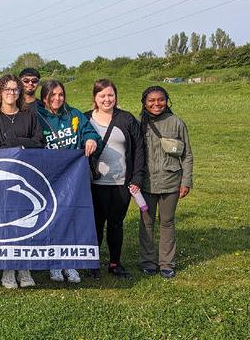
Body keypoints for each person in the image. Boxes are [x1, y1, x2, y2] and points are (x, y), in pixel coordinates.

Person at [34, 79, 101, 284]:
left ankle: (70, 263)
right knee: (53, 218)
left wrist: (90, 139)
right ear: (44, 96)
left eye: (60, 94)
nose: (57, 98)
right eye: (52, 95)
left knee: (72, 218)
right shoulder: (37, 117)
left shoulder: (74, 115)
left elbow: (90, 132)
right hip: (49, 176)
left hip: (73, 177)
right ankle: (54, 264)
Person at [0, 74, 44, 289]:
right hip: (2, 177)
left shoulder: (30, 115)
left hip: (26, 174)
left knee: (26, 219)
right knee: (7, 221)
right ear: (0, 91)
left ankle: (24, 267)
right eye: (7, 89)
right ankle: (8, 269)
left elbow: (38, 142)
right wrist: (15, 147)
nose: (12, 93)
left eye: (15, 89)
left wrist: (14, 142)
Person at [84, 79, 145, 279]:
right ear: (95, 97)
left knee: (116, 224)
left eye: (110, 95)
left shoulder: (126, 119)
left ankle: (114, 262)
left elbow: (138, 151)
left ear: (116, 96)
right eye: (102, 95)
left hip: (121, 183)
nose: (107, 99)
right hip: (93, 183)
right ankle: (92, 263)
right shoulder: (85, 119)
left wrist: (136, 178)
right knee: (95, 224)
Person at [138, 86, 193, 279]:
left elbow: (187, 156)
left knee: (167, 223)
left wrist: (186, 181)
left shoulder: (177, 123)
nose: (156, 104)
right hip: (145, 184)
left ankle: (167, 263)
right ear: (144, 103)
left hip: (171, 183)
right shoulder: (139, 124)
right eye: (151, 100)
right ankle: (147, 261)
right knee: (146, 222)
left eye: (160, 100)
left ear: (167, 101)